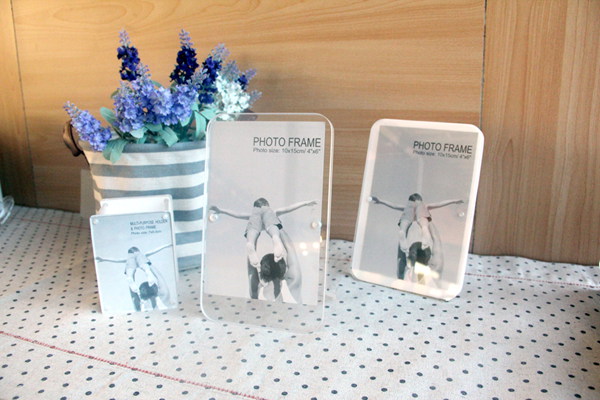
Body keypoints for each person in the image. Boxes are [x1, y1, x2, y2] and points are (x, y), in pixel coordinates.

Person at [209, 198, 317, 302]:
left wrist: (221, 211)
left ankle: (251, 242)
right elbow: (290, 248)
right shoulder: (293, 283)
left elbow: (238, 214)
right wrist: (277, 223)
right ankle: (275, 237)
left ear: (261, 271)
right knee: (276, 234)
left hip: (254, 228)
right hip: (273, 225)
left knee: (251, 238)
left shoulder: (256, 291)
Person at [370, 193, 463, 281]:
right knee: (425, 227)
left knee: (403, 229)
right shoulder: (424, 207)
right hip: (422, 218)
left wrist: (380, 201)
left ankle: (404, 231)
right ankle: (425, 231)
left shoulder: (407, 208)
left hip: (407, 218)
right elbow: (440, 203)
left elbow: (394, 205)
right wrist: (454, 201)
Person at [95, 244, 173, 311]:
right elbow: (159, 275)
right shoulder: (164, 298)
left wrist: (103, 259)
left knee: (130, 269)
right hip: (143, 262)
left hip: (131, 266)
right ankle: (147, 271)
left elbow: (117, 260)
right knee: (143, 263)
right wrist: (167, 245)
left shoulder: (138, 307)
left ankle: (130, 277)